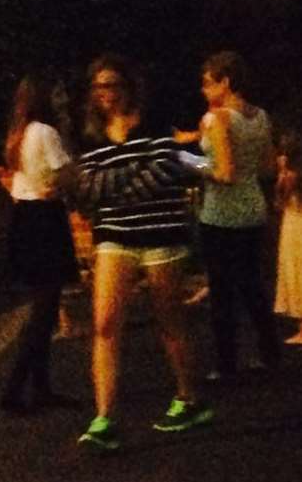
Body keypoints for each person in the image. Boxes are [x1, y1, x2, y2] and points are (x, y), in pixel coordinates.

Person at [76, 53, 212, 453]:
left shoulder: (152, 125)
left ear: (127, 86)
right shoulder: (90, 135)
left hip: (161, 234)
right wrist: (129, 179)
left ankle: (189, 398)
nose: (105, 93)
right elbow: (87, 189)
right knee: (104, 323)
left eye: (112, 84)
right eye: (98, 86)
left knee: (170, 321)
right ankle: (104, 418)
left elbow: (168, 169)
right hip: (114, 235)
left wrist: (111, 184)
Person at [194, 51, 281, 380]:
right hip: (253, 207)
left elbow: (224, 172)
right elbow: (268, 166)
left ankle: (226, 362)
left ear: (225, 82)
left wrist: (193, 165)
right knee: (252, 285)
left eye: (208, 83)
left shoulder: (217, 119)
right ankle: (269, 350)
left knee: (221, 288)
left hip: (221, 212)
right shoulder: (260, 116)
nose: (204, 90)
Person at [0, 77, 80, 414]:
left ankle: (40, 387)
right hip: (45, 220)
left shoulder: (22, 133)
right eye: (58, 92)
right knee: (44, 311)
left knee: (42, 308)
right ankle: (14, 389)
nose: (63, 98)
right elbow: (68, 173)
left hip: (25, 218)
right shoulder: (46, 133)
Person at [274, 129, 302, 343]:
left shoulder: (292, 173)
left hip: (295, 223)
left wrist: (282, 173)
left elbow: (280, 199)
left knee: (295, 270)